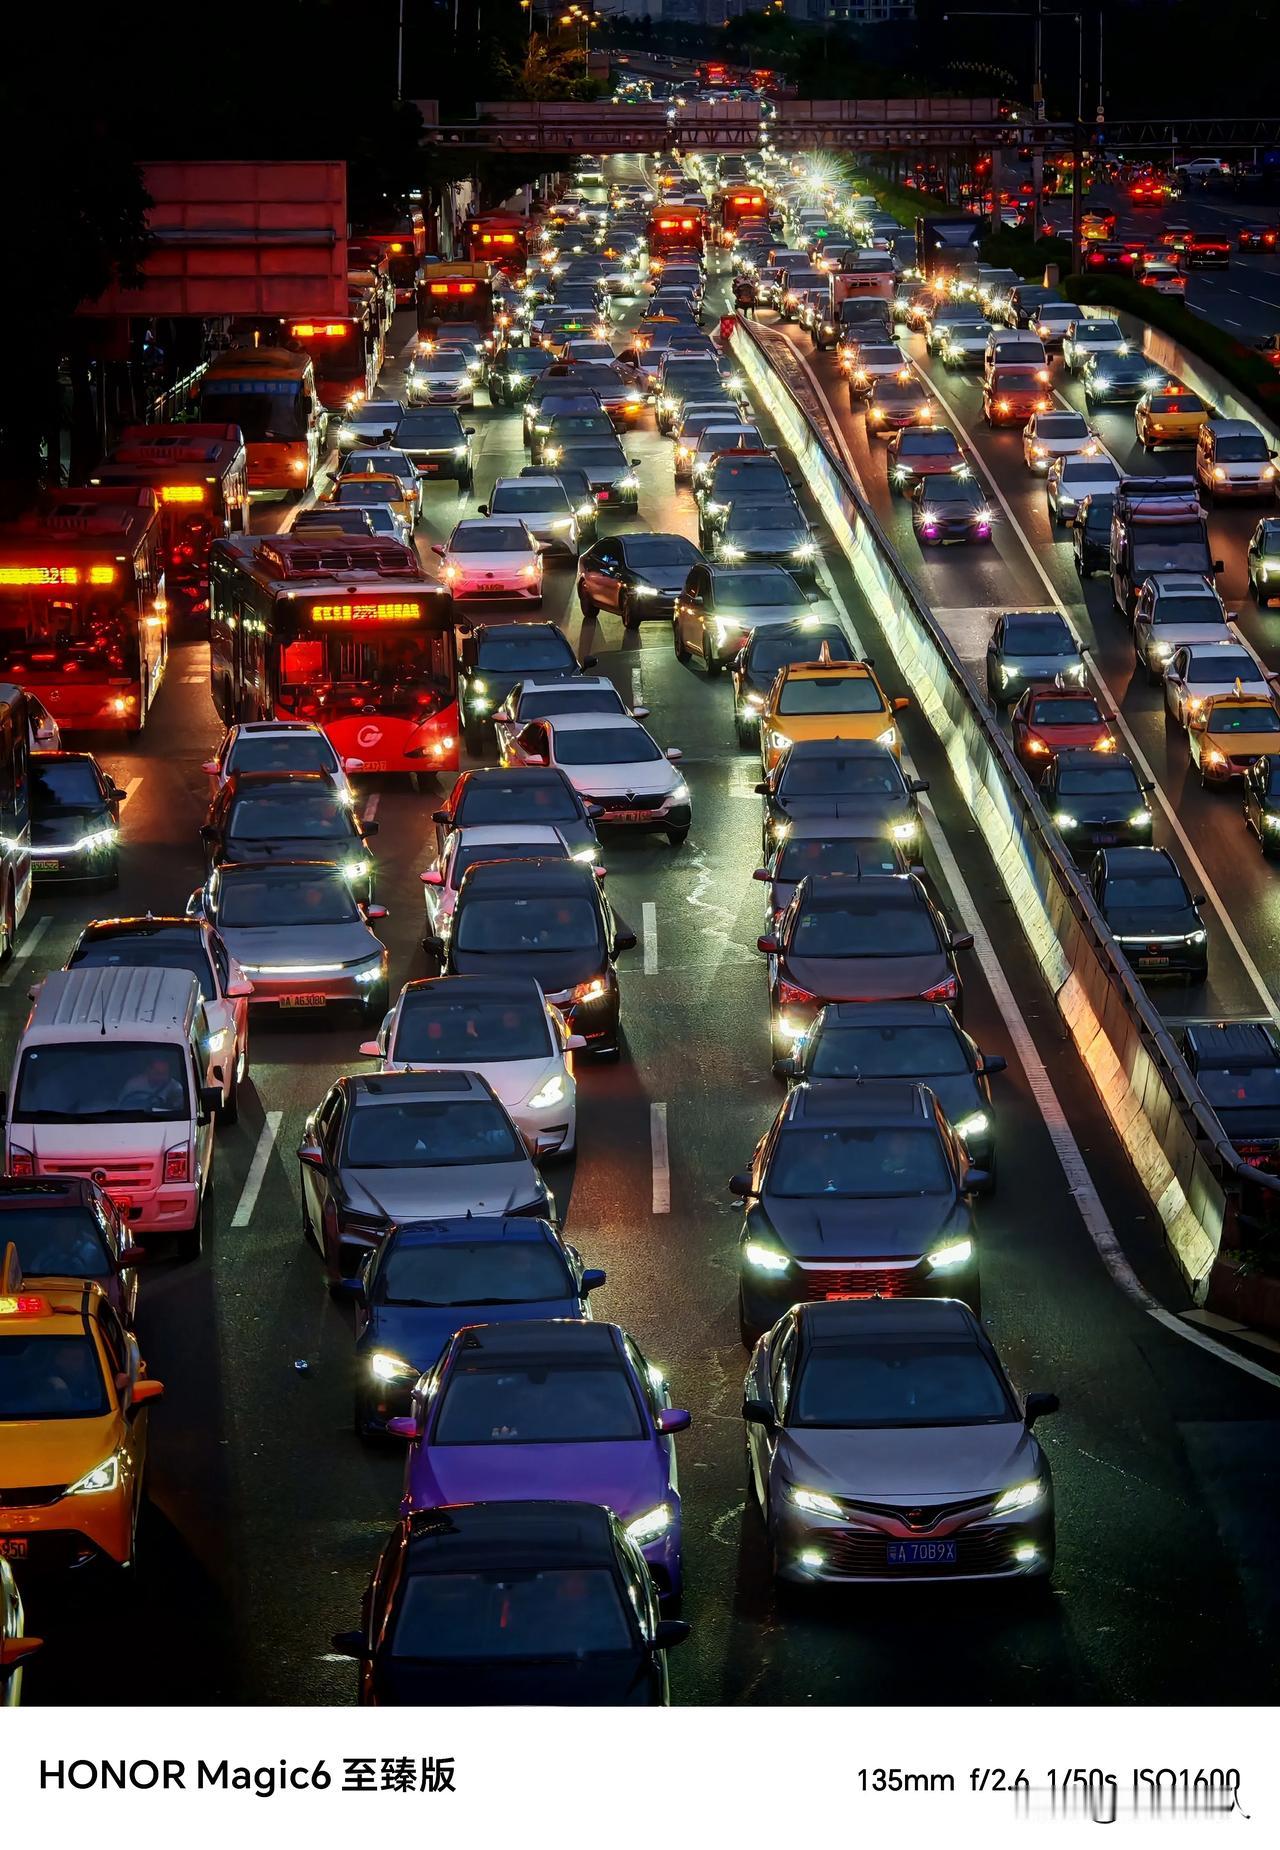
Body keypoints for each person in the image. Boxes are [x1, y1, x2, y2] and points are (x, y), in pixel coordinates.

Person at [119, 1054, 185, 1114]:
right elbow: (120, 1106)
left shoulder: (174, 1087)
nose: (161, 1076)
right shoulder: (133, 1084)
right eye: (158, 1072)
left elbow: (180, 1108)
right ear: (148, 1070)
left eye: (164, 1073)